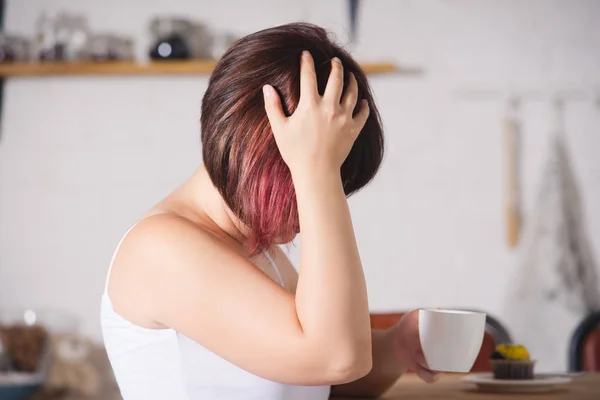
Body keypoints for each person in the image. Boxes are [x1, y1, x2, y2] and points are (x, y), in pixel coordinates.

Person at [101, 22, 438, 400]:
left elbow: (322, 376)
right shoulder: (160, 249)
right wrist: (318, 170)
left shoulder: (260, 252)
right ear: (261, 155)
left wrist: (397, 347)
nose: (323, 198)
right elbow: (335, 358)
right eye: (319, 170)